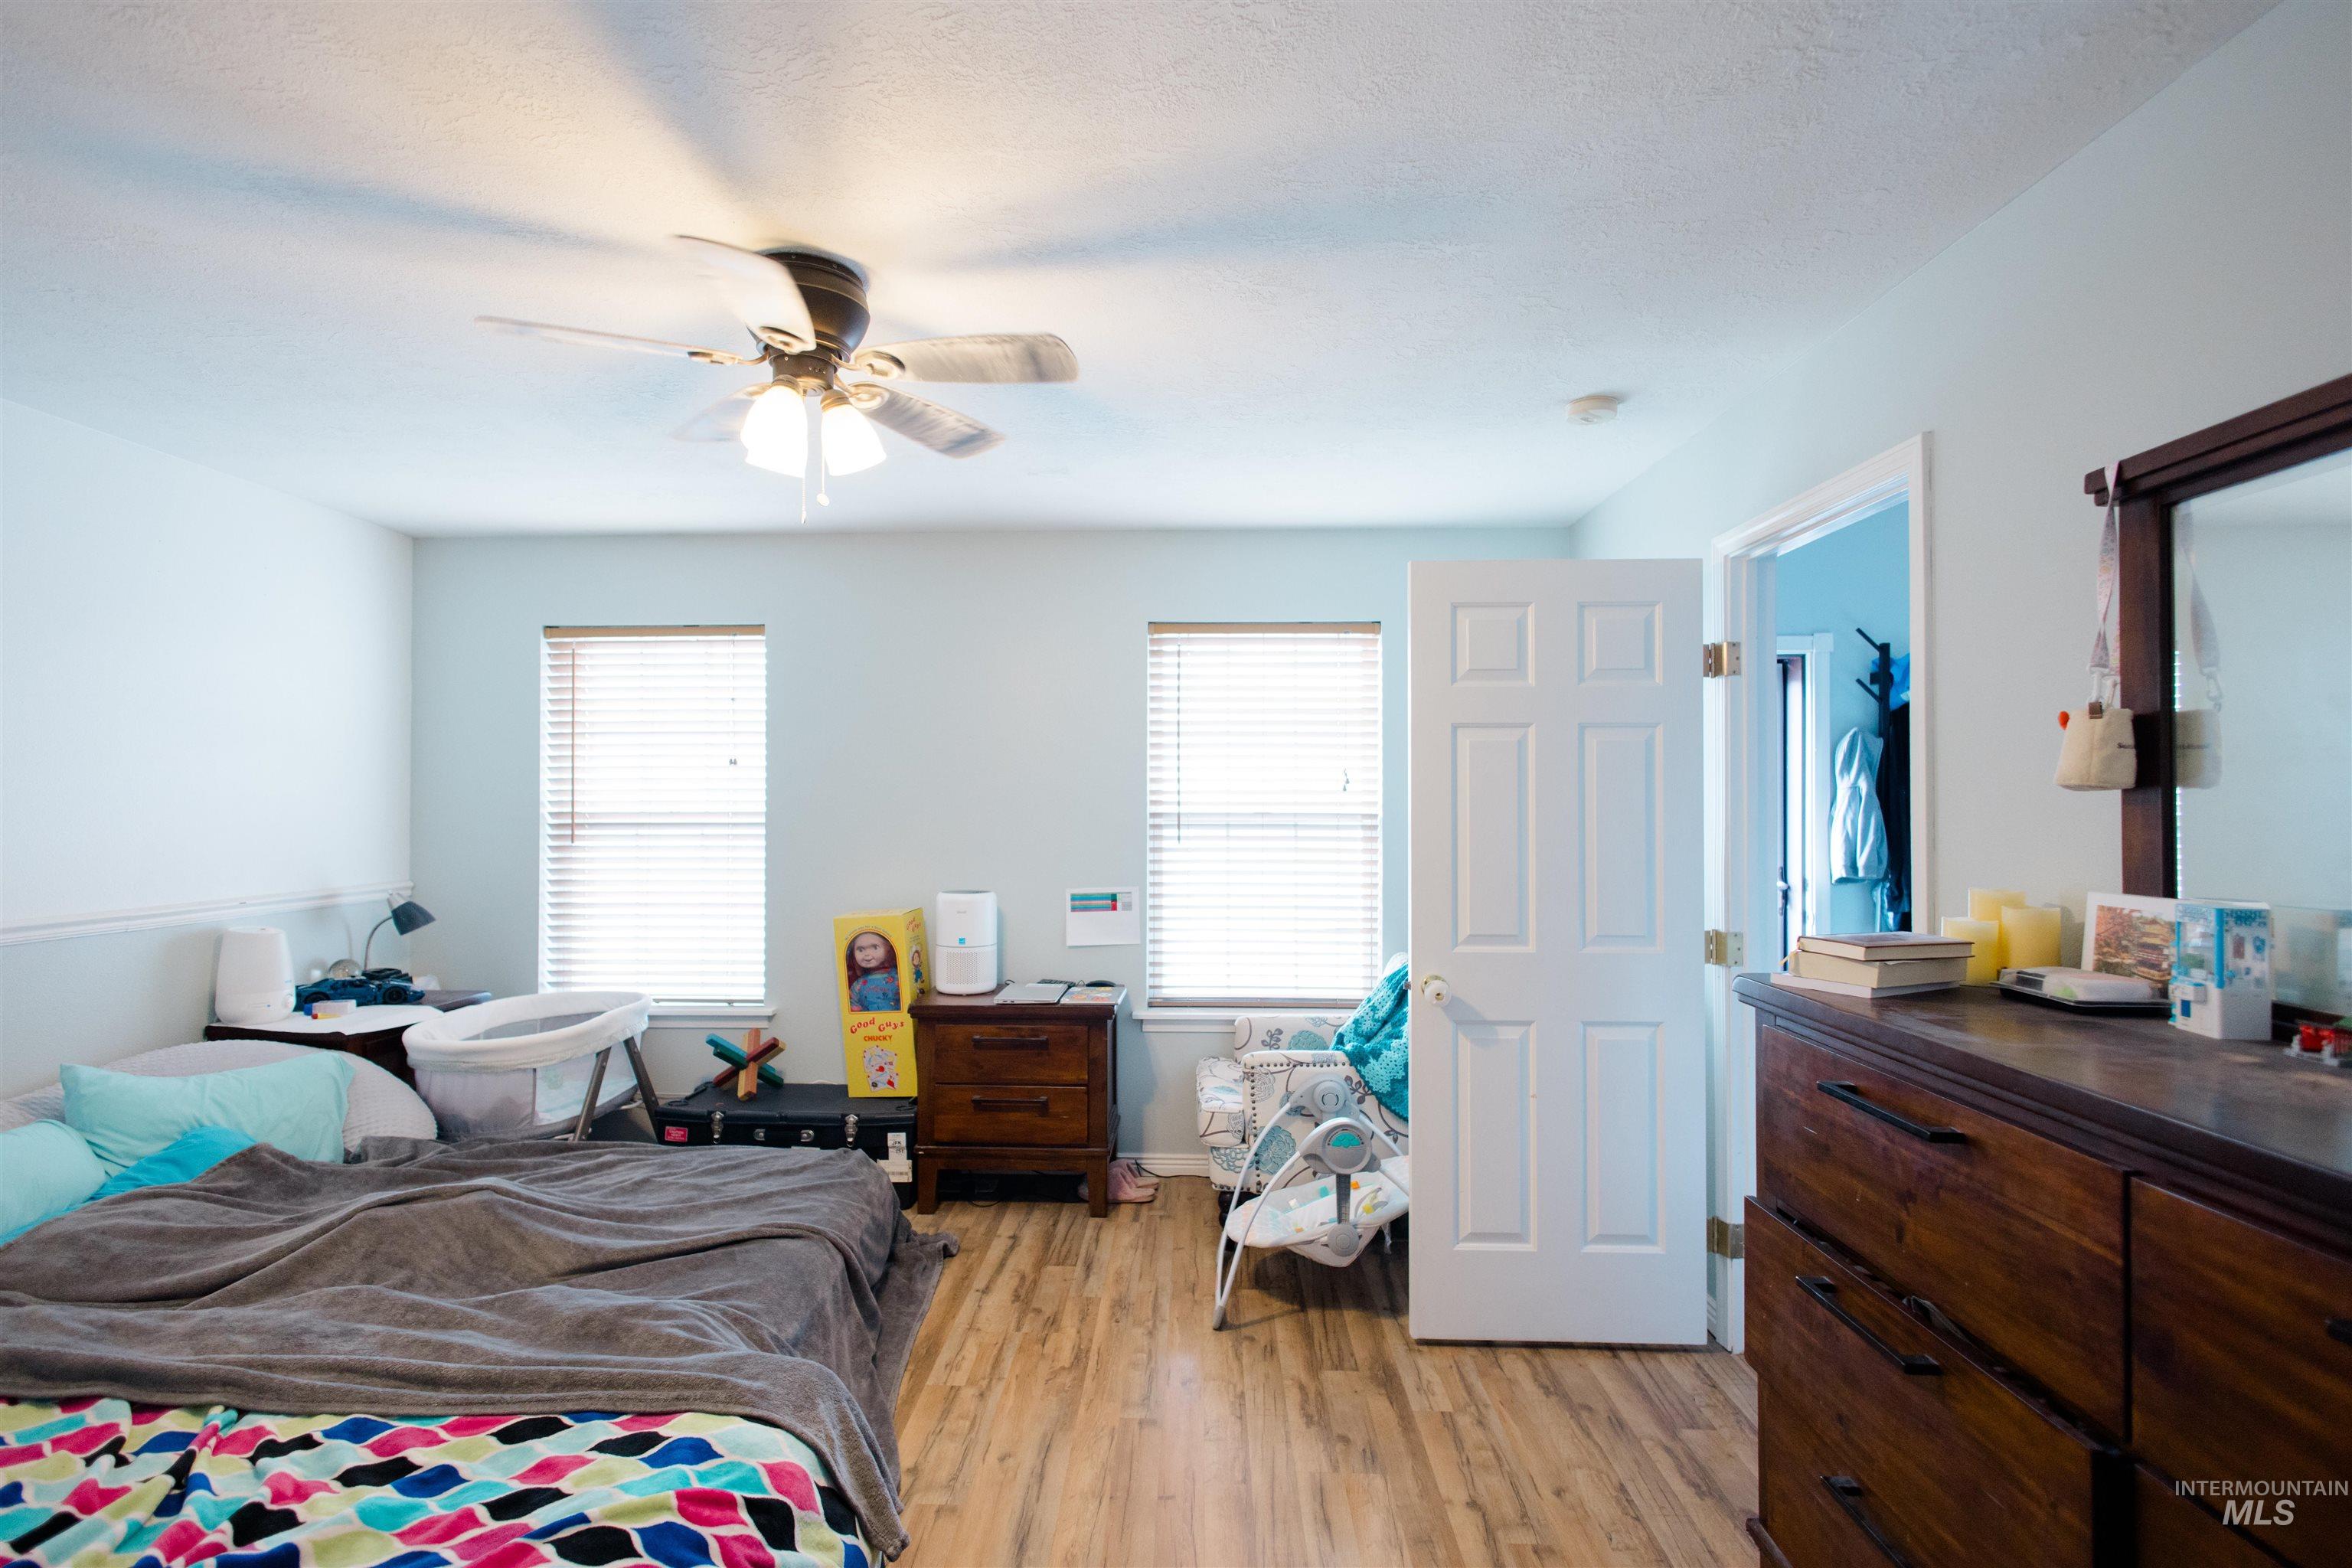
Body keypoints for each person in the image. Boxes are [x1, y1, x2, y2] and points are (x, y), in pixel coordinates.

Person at [845, 929, 900, 1012]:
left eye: (875, 947)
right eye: (860, 949)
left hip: (898, 1022)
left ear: (888, 949)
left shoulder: (899, 978)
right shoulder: (858, 984)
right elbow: (853, 1006)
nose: (867, 954)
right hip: (869, 1023)